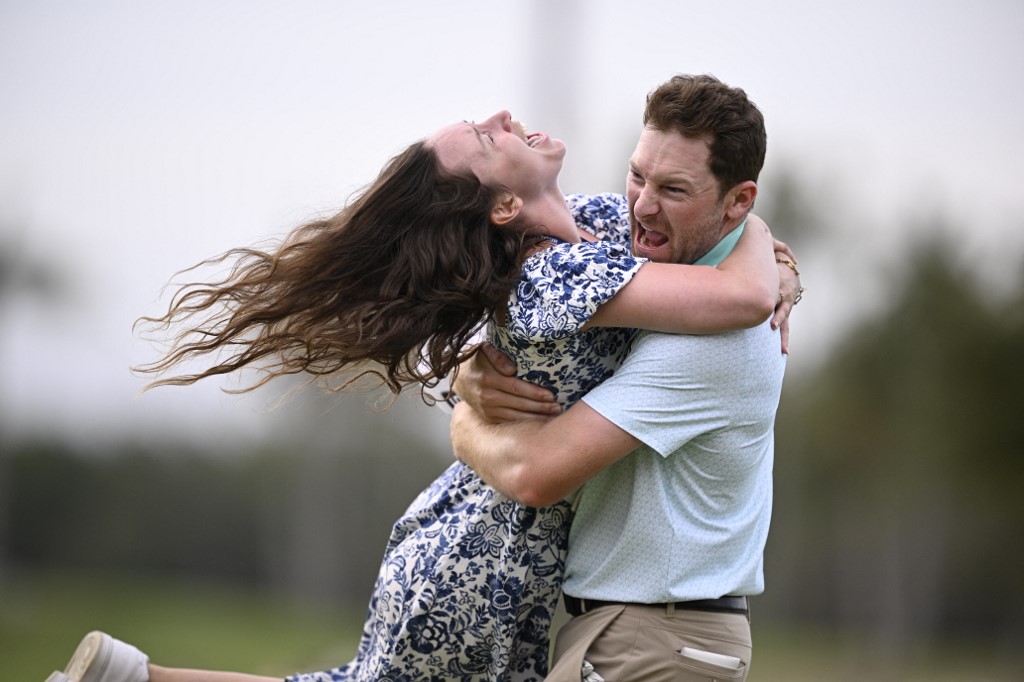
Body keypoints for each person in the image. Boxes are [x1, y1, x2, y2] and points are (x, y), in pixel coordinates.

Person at [45, 101, 796, 682]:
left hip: (465, 540)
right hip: (486, 563)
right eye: (483, 136)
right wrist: (759, 238)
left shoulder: (600, 228)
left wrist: (775, 262)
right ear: (503, 208)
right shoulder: (552, 272)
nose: (504, 118)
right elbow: (736, 300)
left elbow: (719, 273)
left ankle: (133, 674)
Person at [450, 74, 791, 682]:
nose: (641, 206)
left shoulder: (714, 344)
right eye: (638, 176)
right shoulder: (665, 279)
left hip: (659, 641)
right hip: (631, 631)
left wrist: (466, 424)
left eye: (674, 189)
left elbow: (533, 474)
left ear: (739, 201)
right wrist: (470, 375)